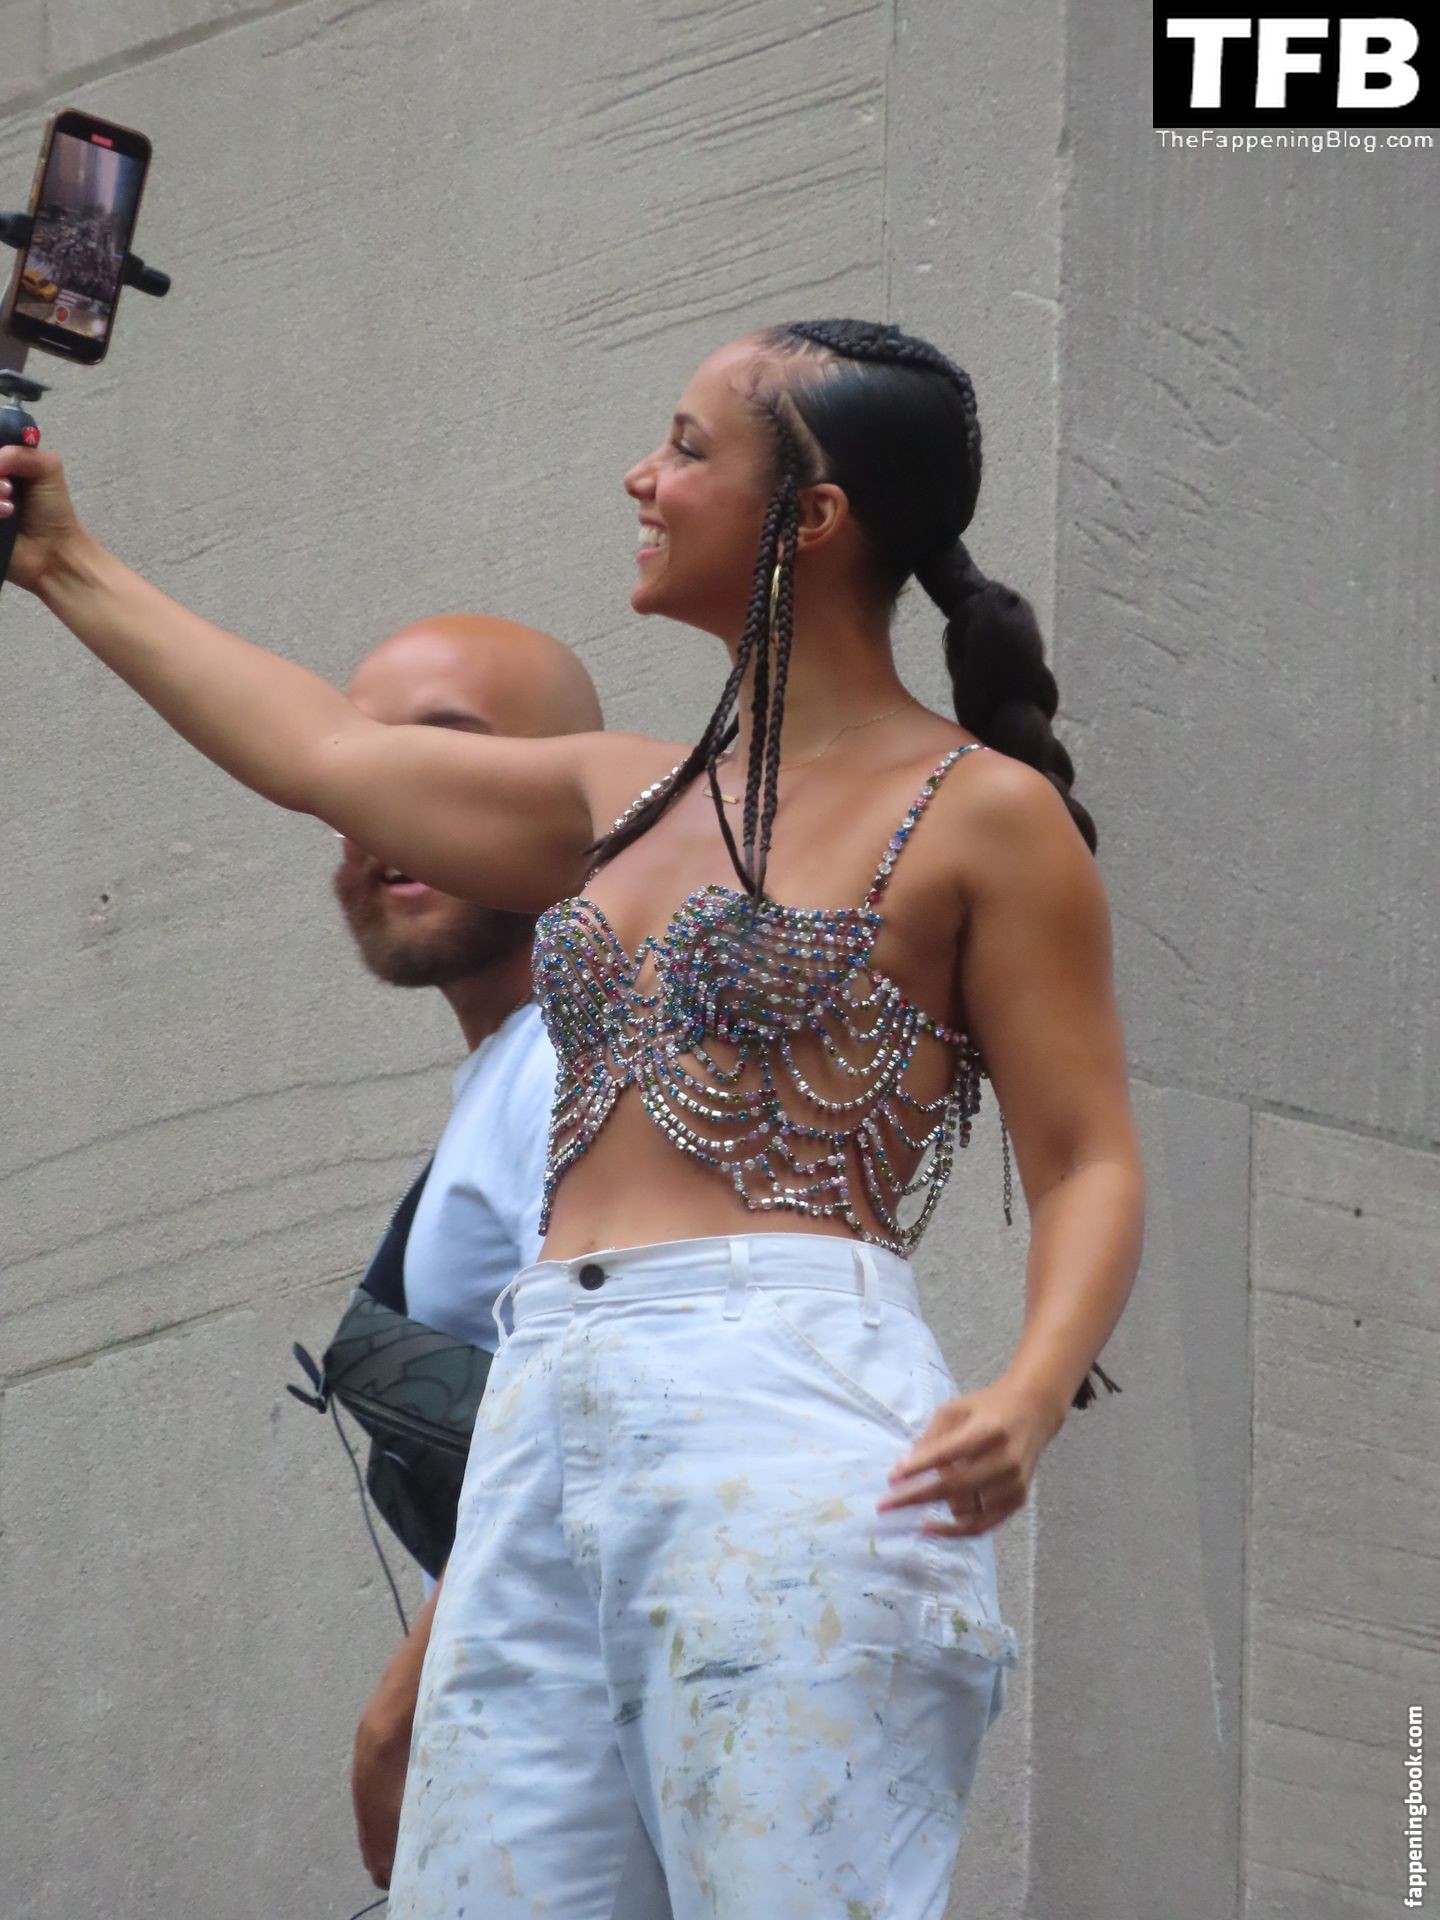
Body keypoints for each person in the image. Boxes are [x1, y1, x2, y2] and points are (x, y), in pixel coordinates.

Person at [2, 315, 1146, 1919]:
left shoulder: (986, 816)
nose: (640, 477)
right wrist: (59, 559)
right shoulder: (620, 795)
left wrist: (1028, 1394)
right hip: (547, 1403)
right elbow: (320, 751)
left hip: (785, 1402)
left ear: (811, 518)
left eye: (687, 447)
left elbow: (1088, 1158)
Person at [326, 614, 668, 1903]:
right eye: (358, 765)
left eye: (446, 752)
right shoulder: (525, 1066)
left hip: (567, 1738)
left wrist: (400, 1712)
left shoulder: (574, 1056)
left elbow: (588, 1406)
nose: (392, 807)